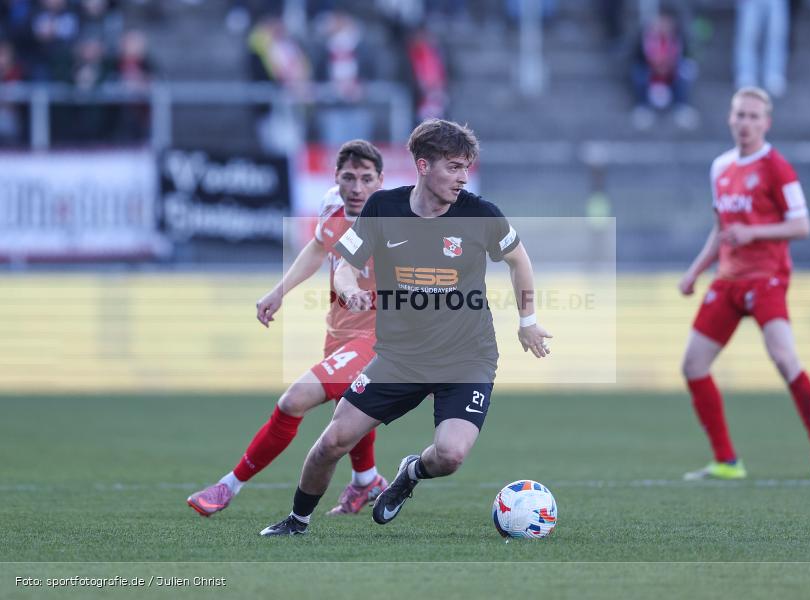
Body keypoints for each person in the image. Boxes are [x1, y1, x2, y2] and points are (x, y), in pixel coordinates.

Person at [260, 119, 553, 536]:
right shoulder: (383, 208)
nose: (462, 177)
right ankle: (297, 520)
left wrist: (528, 322)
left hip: (466, 358)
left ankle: (410, 472)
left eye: (466, 167)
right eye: (453, 167)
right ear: (422, 165)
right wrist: (348, 290)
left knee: (450, 456)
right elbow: (345, 267)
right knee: (332, 442)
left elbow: (519, 260)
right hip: (399, 358)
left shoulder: (480, 214)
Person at [187, 140, 389, 517]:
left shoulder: (394, 220)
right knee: (350, 408)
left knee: (293, 401)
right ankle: (367, 480)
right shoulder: (332, 205)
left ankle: (228, 486)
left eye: (366, 179)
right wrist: (279, 291)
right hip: (341, 331)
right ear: (336, 178)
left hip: (377, 339)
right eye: (349, 177)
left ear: (381, 181)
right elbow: (318, 248)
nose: (357, 188)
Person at [678, 87, 810, 481]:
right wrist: (696, 270)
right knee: (693, 365)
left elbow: (802, 225)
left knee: (784, 358)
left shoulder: (777, 168)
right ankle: (727, 461)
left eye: (754, 116)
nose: (745, 123)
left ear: (766, 122)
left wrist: (756, 234)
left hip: (767, 278)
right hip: (728, 281)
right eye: (740, 115)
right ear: (729, 119)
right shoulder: (720, 167)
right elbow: (721, 229)